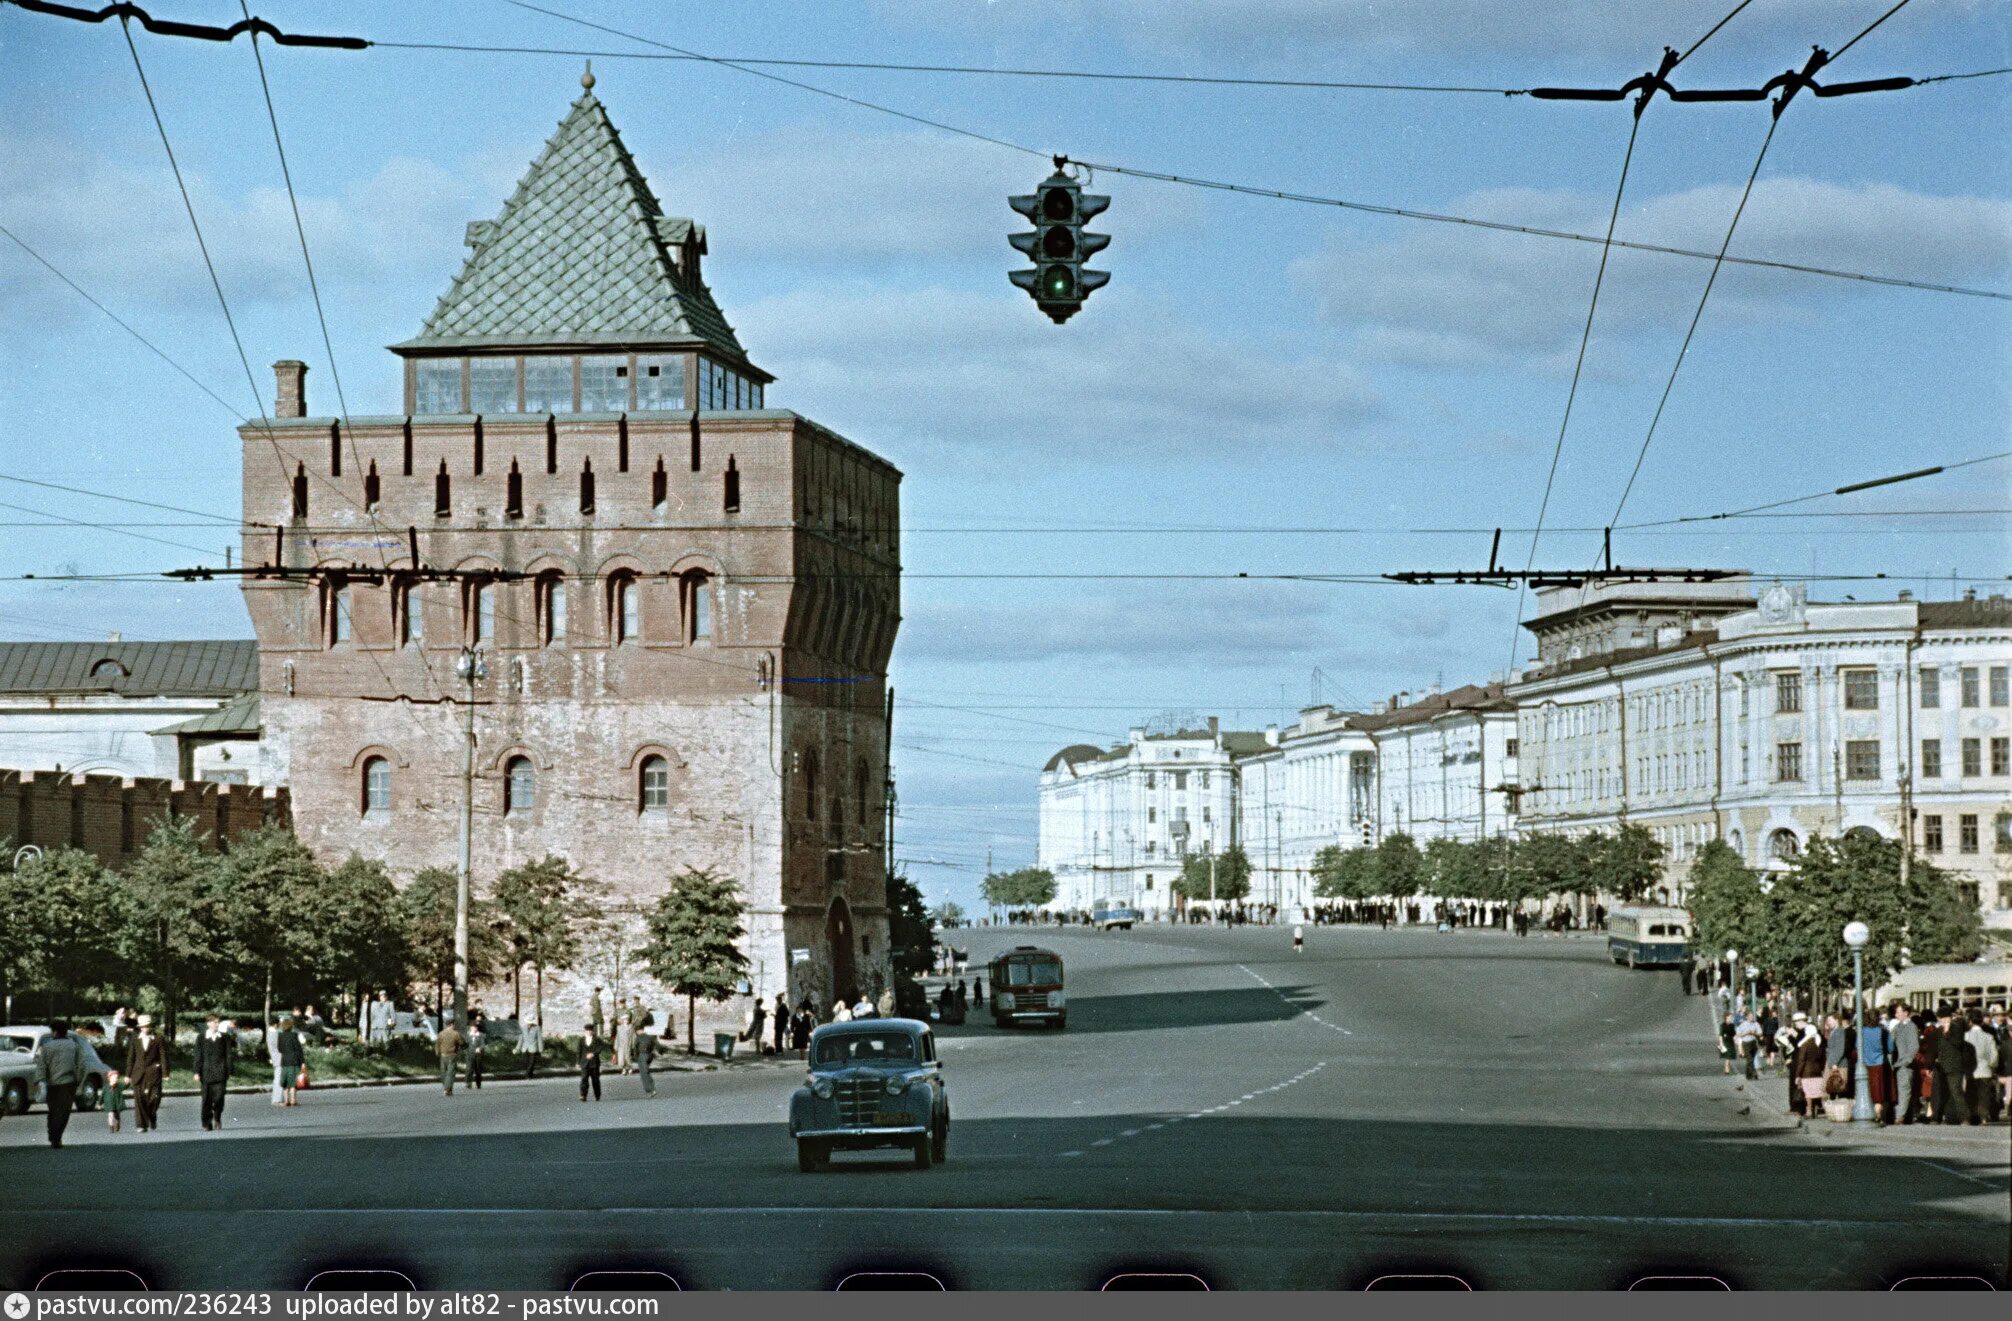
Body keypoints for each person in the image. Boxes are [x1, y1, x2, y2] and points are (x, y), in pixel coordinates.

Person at [33, 1020, 85, 1148]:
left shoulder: (46, 1047)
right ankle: (57, 1136)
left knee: (53, 1111)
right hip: (68, 1083)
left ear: (55, 1032)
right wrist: (78, 1080)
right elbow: (81, 1066)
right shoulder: (74, 1046)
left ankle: (53, 1135)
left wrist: (40, 1080)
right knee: (64, 1112)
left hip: (51, 1084)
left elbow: (41, 1066)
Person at [124, 1014, 166, 1132]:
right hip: (138, 1074)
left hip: (154, 1073)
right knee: (139, 1099)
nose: (145, 1028)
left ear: (151, 1026)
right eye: (143, 1026)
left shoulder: (158, 1039)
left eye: (147, 1026)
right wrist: (127, 1075)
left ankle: (152, 1116)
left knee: (154, 1099)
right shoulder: (135, 1039)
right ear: (140, 1027)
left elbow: (163, 1056)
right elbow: (131, 1058)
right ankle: (141, 1125)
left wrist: (165, 1073)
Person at [194, 1013, 235, 1131]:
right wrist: (196, 1071)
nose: (217, 1024)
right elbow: (198, 1055)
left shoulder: (224, 1037)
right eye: (214, 1022)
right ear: (209, 1023)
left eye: (218, 1022)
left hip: (221, 1072)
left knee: (219, 1098)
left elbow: (228, 1055)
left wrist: (230, 1069)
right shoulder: (201, 1037)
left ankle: (217, 1117)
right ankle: (206, 1123)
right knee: (206, 1099)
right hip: (206, 1073)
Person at [1933, 1009, 1969, 1124]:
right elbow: (1937, 1047)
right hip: (1941, 1066)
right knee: (1942, 1093)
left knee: (1956, 1091)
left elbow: (1958, 1043)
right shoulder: (1939, 1030)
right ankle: (1946, 1117)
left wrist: (1948, 1033)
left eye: (1943, 1019)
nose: (1942, 1021)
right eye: (1940, 1019)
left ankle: (1964, 1118)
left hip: (1954, 1066)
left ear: (1949, 1018)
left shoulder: (1957, 1029)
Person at [1962, 1010, 1998, 1126]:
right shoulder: (1989, 1037)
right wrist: (1991, 1065)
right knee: (1984, 1095)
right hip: (1985, 1069)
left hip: (1970, 1070)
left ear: (1970, 1022)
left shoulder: (1965, 1036)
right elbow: (1994, 1055)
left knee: (1970, 1094)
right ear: (1982, 1022)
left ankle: (1970, 1117)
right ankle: (1983, 1117)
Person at [1891, 1003, 1921, 1123]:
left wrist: (1906, 1061)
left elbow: (1914, 1046)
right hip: (1898, 1064)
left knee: (1904, 1090)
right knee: (1903, 1090)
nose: (1896, 1014)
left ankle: (1900, 1117)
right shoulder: (1898, 1027)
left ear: (1906, 1013)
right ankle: (1906, 1115)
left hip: (1904, 1064)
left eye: (1898, 1012)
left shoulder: (1910, 1027)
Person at [277, 1016, 305, 1108]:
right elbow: (298, 1049)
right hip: (294, 1060)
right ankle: (293, 1100)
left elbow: (279, 1049)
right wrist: (302, 1062)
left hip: (284, 1060)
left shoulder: (280, 1036)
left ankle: (286, 1101)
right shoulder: (294, 1035)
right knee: (292, 1082)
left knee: (285, 1082)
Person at [436, 1014, 464, 1097]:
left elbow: (437, 1044)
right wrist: (464, 1047)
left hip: (443, 1055)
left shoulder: (441, 1033)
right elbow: (462, 1043)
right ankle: (447, 1089)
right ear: (452, 1024)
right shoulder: (456, 1034)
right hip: (452, 1055)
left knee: (443, 1072)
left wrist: (438, 1052)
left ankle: (447, 1088)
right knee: (450, 1072)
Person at [579, 1025, 604, 1102]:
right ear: (585, 1031)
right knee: (584, 1079)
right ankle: (583, 1095)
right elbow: (578, 1051)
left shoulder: (597, 1040)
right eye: (587, 1031)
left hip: (594, 1063)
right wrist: (577, 1062)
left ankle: (597, 1095)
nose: (589, 1032)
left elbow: (600, 1048)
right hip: (584, 1063)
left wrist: (593, 1054)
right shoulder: (581, 1040)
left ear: (592, 1031)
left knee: (595, 1080)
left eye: (590, 1031)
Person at [267, 1017, 287, 1107]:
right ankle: (277, 1100)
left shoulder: (270, 1033)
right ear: (275, 1024)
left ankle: (277, 1099)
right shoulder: (274, 1033)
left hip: (276, 1058)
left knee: (278, 1078)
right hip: (279, 1058)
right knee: (279, 1079)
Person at [636, 1020, 658, 1096]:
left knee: (644, 1073)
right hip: (649, 1055)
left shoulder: (638, 1038)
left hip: (642, 1055)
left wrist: (635, 1057)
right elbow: (657, 1045)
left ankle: (650, 1089)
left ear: (638, 1031)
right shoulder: (650, 1037)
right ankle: (651, 1088)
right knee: (647, 1071)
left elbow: (635, 1048)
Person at [519, 1012, 543, 1079]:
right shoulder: (523, 1028)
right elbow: (521, 1039)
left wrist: (540, 1049)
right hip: (525, 1048)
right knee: (526, 1062)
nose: (529, 1023)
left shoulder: (537, 1028)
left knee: (532, 1062)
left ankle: (527, 1075)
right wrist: (517, 1048)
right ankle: (530, 1074)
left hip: (533, 1048)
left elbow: (539, 1039)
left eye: (530, 1022)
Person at [466, 1014, 486, 1090]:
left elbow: (483, 1044)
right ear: (470, 1028)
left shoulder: (480, 1035)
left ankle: (478, 1083)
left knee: (478, 1069)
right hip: (470, 1054)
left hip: (478, 1055)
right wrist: (466, 1051)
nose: (474, 1029)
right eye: (473, 1028)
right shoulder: (468, 1035)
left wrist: (479, 1048)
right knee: (469, 1069)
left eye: (475, 1028)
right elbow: (465, 1044)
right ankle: (468, 1083)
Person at [105, 1068, 126, 1133]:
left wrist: (126, 1082)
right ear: (109, 1079)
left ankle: (117, 1123)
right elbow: (103, 1095)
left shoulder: (119, 1086)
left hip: (117, 1104)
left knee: (117, 1115)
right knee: (110, 1115)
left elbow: (125, 1086)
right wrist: (99, 1103)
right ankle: (111, 1127)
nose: (115, 1079)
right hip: (110, 1104)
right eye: (113, 1078)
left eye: (116, 1078)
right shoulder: (106, 1087)